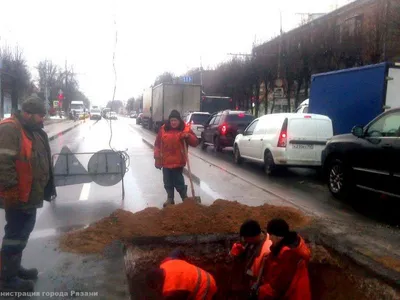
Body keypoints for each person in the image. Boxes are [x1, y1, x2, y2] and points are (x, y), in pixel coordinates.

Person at [0, 96, 57, 292]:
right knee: (16, 233)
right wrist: (11, 190)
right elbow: (3, 163)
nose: (42, 119)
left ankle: (13, 269)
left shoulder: (32, 130)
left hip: (29, 194)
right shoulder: (10, 129)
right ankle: (7, 279)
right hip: (18, 194)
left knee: (21, 232)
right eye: (40, 115)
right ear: (27, 113)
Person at [257, 219, 311, 300]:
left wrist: (260, 291)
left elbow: (279, 286)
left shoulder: (289, 254)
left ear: (277, 236)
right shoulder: (284, 247)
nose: (270, 239)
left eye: (271, 235)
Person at [154, 110, 199, 207]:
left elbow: (195, 142)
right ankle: (170, 199)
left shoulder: (185, 129)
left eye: (175, 120)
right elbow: (157, 144)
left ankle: (185, 199)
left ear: (179, 120)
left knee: (179, 182)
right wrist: (157, 158)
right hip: (165, 162)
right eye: (172, 120)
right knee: (167, 182)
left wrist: (188, 136)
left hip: (178, 161)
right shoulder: (163, 129)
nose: (173, 122)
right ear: (169, 121)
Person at [146, 249, 217, 300]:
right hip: (203, 275)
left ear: (158, 284)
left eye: (156, 288)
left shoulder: (170, 290)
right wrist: (187, 266)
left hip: (206, 286)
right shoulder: (167, 262)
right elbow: (177, 251)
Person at [230, 220, 272, 287]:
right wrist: (238, 255)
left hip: (259, 287)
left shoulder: (267, 251)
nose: (244, 240)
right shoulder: (253, 242)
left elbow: (269, 278)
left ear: (252, 237)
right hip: (251, 282)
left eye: (245, 238)